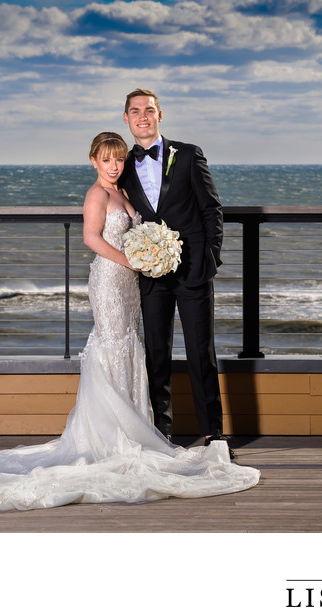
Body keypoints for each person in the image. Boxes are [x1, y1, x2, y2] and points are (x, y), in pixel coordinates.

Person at [0, 132, 259, 511]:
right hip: (113, 281)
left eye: (118, 160)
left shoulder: (126, 190)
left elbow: (191, 212)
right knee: (113, 347)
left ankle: (139, 430)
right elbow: (90, 238)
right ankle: (112, 436)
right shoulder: (97, 194)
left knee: (131, 348)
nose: (114, 166)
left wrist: (165, 256)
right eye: (106, 160)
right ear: (93, 160)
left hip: (134, 283)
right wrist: (133, 261)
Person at [119, 89, 227, 452]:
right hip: (151, 276)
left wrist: (210, 257)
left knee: (201, 353)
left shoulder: (189, 154)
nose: (143, 117)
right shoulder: (122, 167)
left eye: (149, 110)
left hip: (194, 270)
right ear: (126, 119)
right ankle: (161, 433)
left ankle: (213, 433)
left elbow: (212, 209)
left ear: (160, 115)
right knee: (156, 356)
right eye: (136, 111)